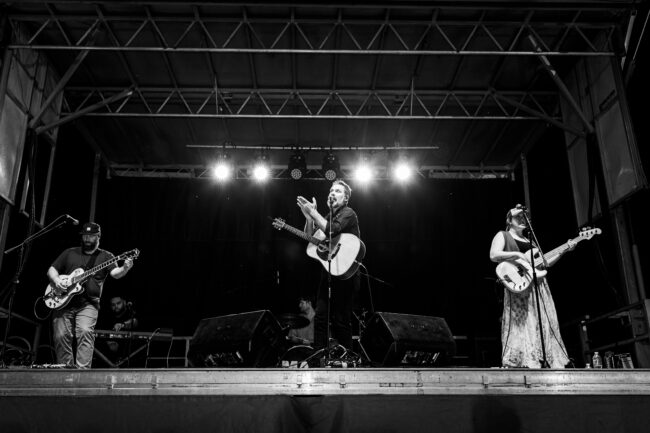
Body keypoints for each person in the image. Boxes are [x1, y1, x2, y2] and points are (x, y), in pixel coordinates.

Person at [489, 206, 575, 368]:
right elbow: (494, 255)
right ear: (509, 220)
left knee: (541, 321)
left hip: (538, 286)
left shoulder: (531, 240)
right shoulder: (503, 235)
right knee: (522, 322)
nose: (523, 219)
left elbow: (545, 263)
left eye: (525, 217)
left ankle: (542, 357)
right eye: (518, 217)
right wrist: (517, 254)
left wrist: (564, 250)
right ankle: (523, 359)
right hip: (519, 287)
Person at [47, 222, 134, 368]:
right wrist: (56, 280)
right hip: (63, 301)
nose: (87, 239)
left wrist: (125, 268)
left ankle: (82, 373)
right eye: (85, 236)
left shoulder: (106, 256)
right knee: (61, 336)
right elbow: (52, 269)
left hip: (88, 303)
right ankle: (65, 371)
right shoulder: (70, 252)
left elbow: (115, 274)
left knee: (85, 332)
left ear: (98, 237)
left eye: (91, 236)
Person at [297, 180, 361, 351]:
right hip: (329, 272)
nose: (332, 193)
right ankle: (318, 357)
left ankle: (347, 357)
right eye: (331, 190)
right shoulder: (327, 217)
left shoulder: (348, 213)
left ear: (345, 198)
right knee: (320, 317)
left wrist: (314, 212)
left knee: (340, 319)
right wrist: (309, 218)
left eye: (337, 191)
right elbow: (311, 239)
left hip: (346, 273)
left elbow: (331, 230)